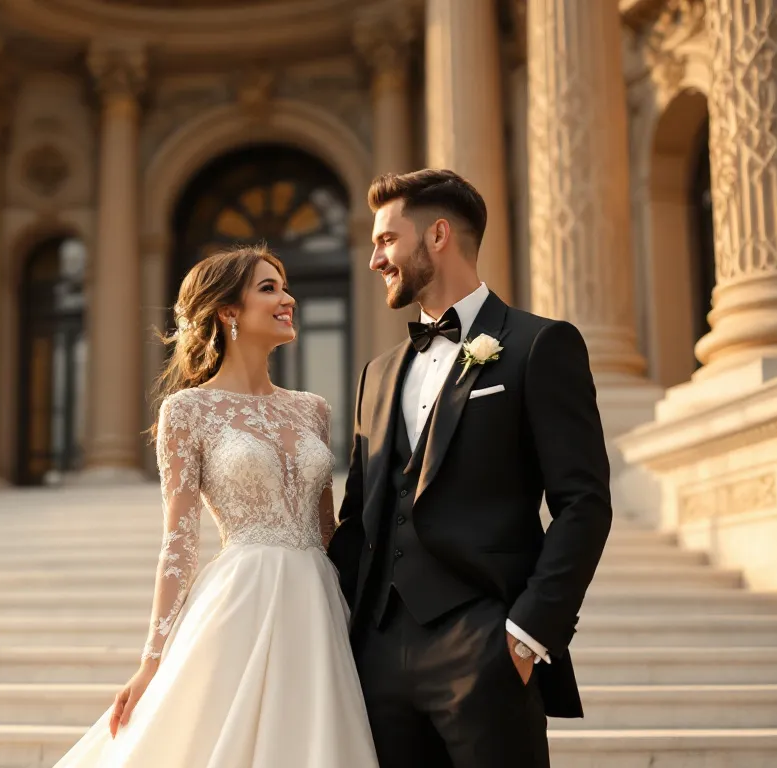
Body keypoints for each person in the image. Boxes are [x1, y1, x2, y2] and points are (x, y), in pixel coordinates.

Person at [328, 169, 613, 768]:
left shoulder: (540, 345)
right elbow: (357, 520)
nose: (375, 258)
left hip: (485, 646)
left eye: (385, 240)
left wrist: (529, 631)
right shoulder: (375, 375)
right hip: (378, 656)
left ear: (436, 236)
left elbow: (583, 501)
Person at [54, 245, 379, 767]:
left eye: (285, 286)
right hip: (241, 598)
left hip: (318, 602)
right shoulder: (188, 410)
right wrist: (151, 661)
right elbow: (179, 545)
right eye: (268, 288)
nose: (287, 299)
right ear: (228, 310)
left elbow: (327, 530)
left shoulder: (312, 409)